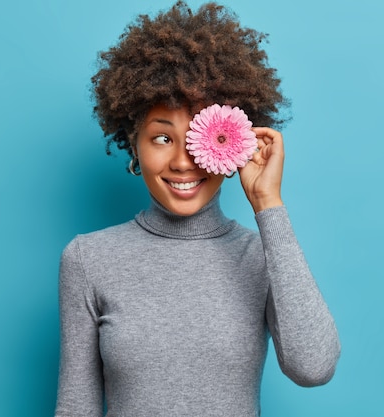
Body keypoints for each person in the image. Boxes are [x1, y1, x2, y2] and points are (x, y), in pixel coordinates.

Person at [55, 2, 340, 416]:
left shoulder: (263, 256)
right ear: (134, 143)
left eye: (196, 140)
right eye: (162, 138)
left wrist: (267, 202)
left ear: (233, 142)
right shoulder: (88, 259)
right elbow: (75, 408)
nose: (183, 162)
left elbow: (313, 367)